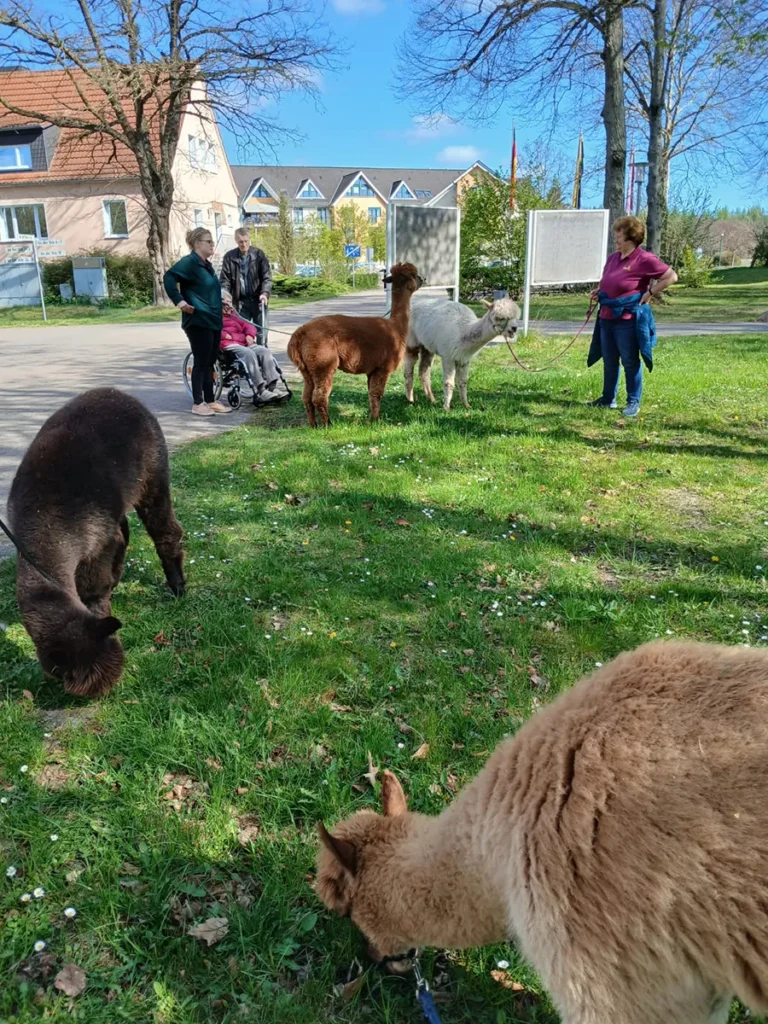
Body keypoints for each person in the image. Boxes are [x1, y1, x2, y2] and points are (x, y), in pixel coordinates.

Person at [587, 216, 678, 418]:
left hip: (627, 319)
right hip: (607, 317)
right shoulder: (613, 258)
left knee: (629, 361)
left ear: (630, 237)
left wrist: (650, 293)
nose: (616, 239)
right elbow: (608, 282)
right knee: (609, 360)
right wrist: (599, 291)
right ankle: (608, 398)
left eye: (619, 235)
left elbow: (671, 276)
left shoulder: (644, 259)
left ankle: (633, 401)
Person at [164, 227, 232, 417]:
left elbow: (206, 291)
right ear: (196, 244)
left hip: (213, 320)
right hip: (198, 321)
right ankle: (197, 403)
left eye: (212, 241)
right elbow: (169, 277)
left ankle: (210, 400)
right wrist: (179, 301)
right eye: (208, 241)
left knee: (210, 361)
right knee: (201, 362)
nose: (212, 244)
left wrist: (221, 304)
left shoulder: (206, 265)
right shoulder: (190, 262)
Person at [220, 290, 282, 405]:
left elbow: (249, 325)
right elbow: (215, 332)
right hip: (229, 346)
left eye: (230, 302)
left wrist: (249, 335)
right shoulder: (215, 316)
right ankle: (261, 390)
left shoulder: (234, 314)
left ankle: (272, 386)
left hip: (244, 343)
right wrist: (235, 337)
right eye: (226, 302)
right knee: (249, 354)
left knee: (264, 351)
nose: (229, 305)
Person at [219, 227, 272, 324]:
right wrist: (226, 296)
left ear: (249, 239)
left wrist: (265, 293)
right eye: (240, 242)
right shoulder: (229, 257)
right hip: (240, 302)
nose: (244, 244)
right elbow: (225, 280)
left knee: (261, 331)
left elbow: (267, 277)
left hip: (258, 300)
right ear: (236, 241)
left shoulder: (259, 255)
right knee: (240, 330)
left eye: (246, 241)